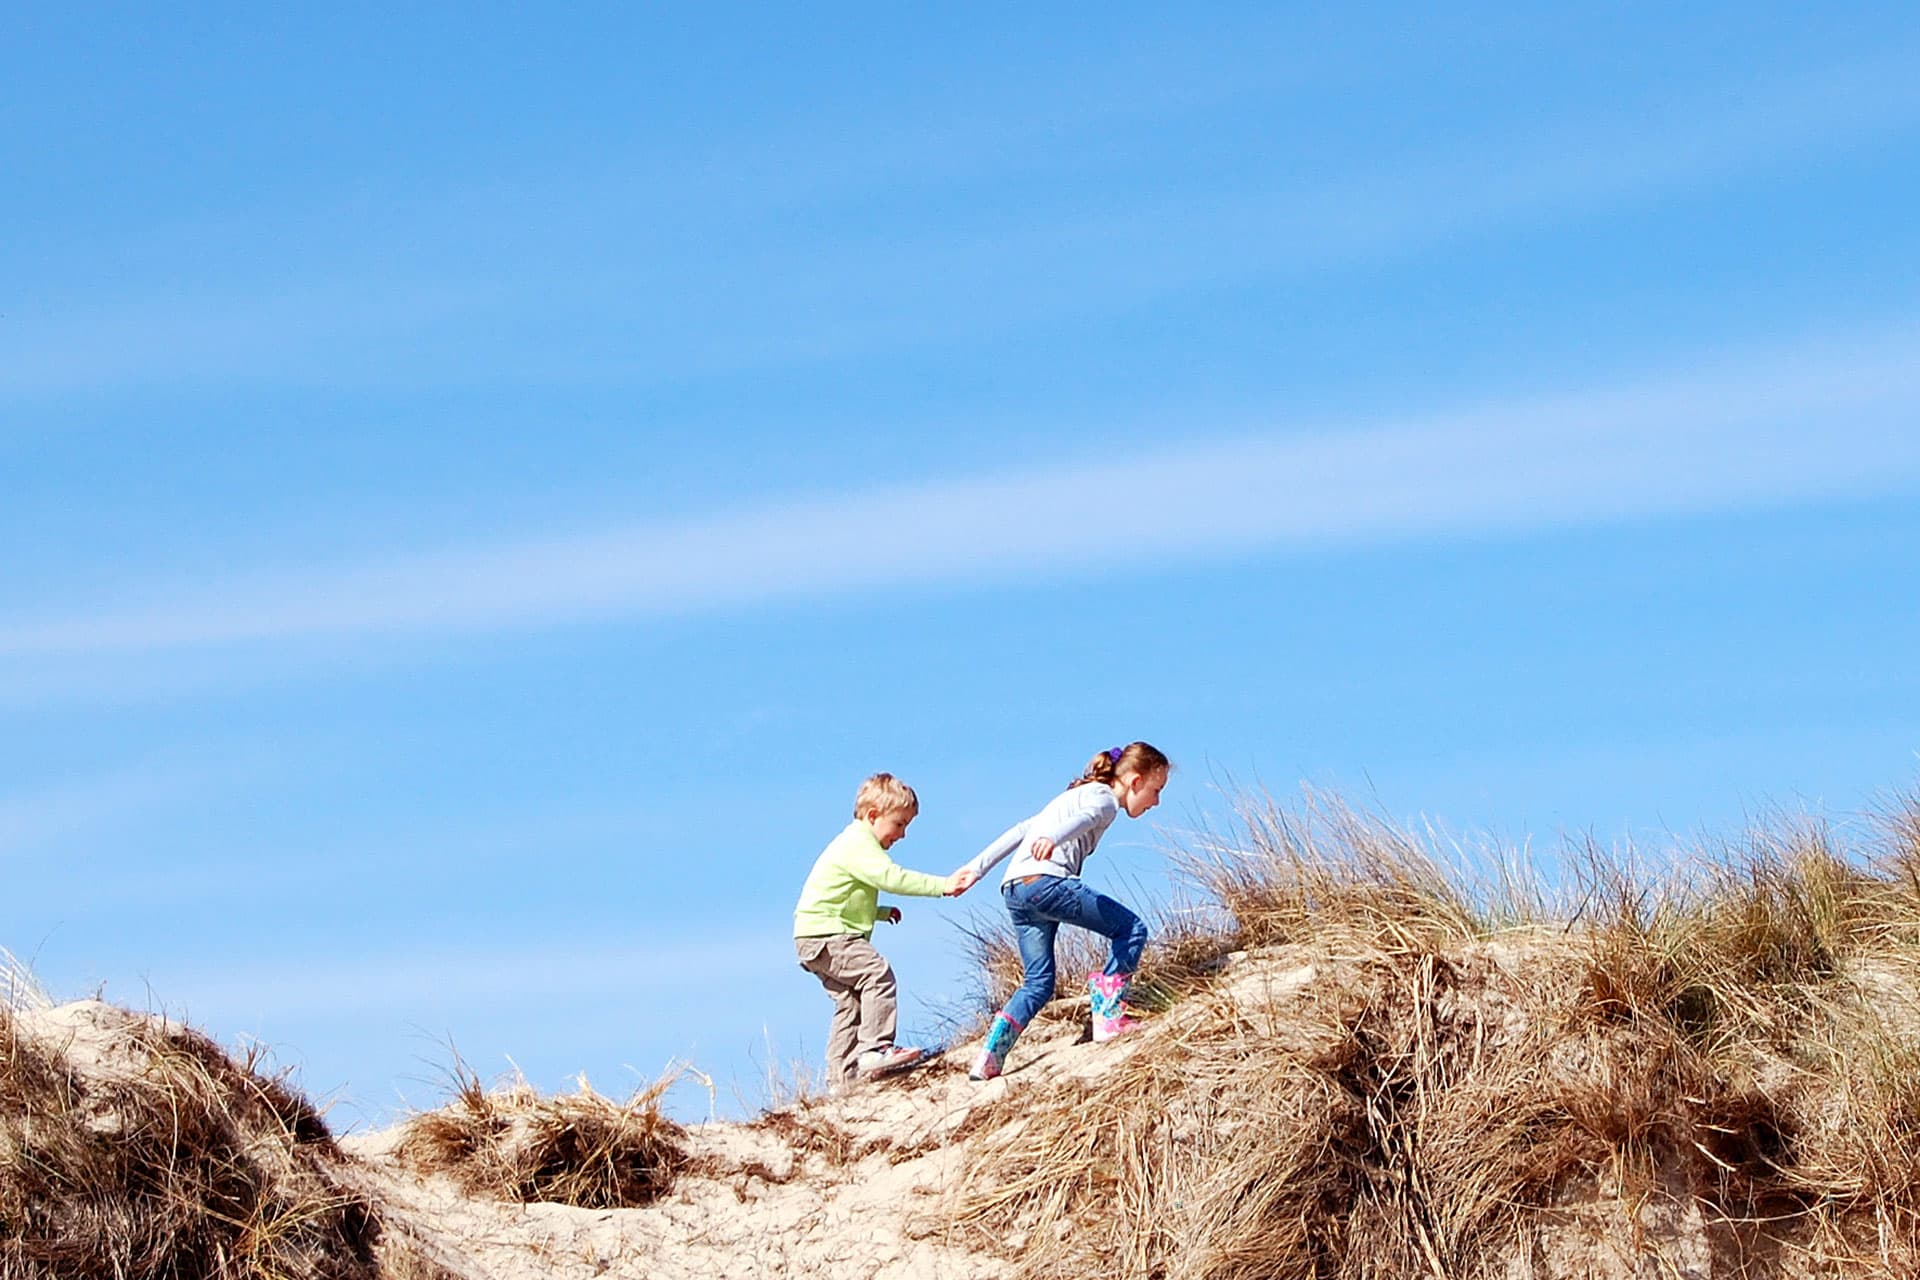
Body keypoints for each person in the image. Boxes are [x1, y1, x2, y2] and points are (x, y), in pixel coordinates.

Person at [957, 742, 1170, 1081]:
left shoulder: (1074, 794)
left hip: (1015, 889)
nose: (1156, 801)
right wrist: (1054, 839)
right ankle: (1109, 1016)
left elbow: (1020, 829)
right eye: (1155, 790)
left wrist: (975, 868)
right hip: (1046, 882)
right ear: (1134, 781)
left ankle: (989, 1058)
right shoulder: (1104, 800)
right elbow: (1087, 819)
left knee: (1038, 983)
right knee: (1131, 930)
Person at [793, 773, 978, 1086]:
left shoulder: (851, 844)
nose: (903, 834)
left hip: (813, 937)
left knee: (851, 1003)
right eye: (900, 824)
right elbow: (892, 878)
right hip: (829, 936)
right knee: (877, 974)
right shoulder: (859, 844)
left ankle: (842, 1081)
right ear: (873, 815)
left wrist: (877, 912)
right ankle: (875, 1048)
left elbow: (841, 893)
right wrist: (942, 886)